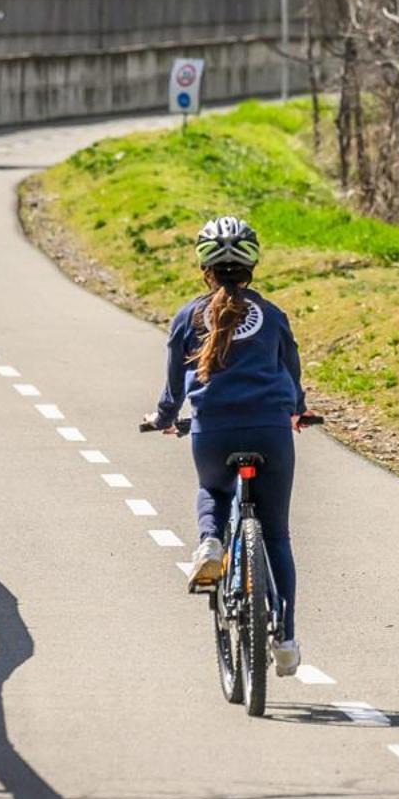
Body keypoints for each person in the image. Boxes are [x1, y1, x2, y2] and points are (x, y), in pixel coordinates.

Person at [144, 216, 312, 676]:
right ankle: (287, 641)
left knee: (214, 491)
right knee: (275, 535)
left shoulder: (188, 316)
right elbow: (292, 376)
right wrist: (297, 409)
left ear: (204, 267)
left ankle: (210, 543)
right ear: (253, 264)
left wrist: (162, 418)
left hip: (213, 431)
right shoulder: (273, 316)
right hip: (271, 432)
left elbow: (173, 388)